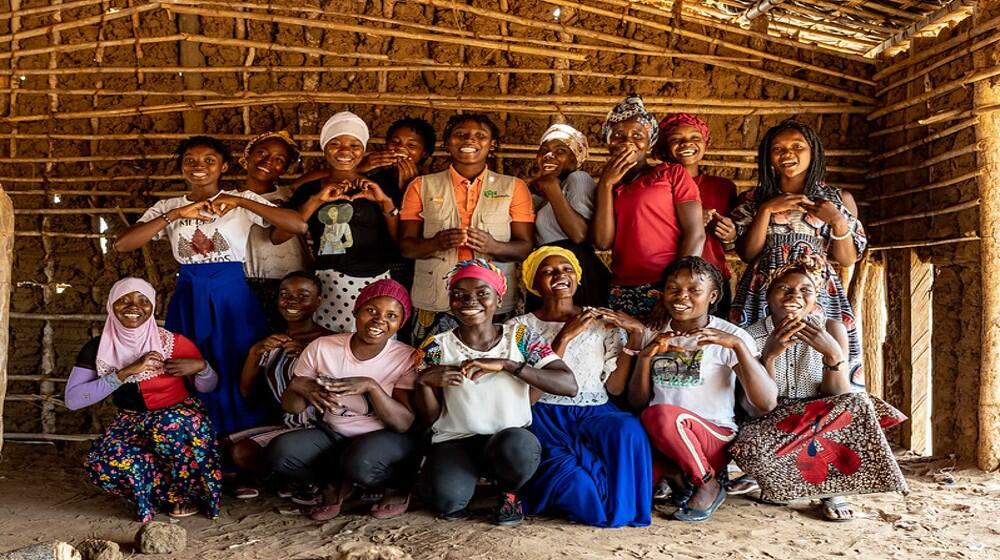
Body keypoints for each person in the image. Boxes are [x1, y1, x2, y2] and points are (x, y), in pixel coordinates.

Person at [115, 136, 308, 435]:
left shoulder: (239, 201)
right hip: (189, 295)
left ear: (224, 166)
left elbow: (298, 225)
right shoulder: (169, 206)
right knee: (189, 361)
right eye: (190, 161)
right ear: (181, 168)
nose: (199, 167)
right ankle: (197, 440)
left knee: (234, 359)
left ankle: (238, 440)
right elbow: (123, 243)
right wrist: (176, 215)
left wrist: (240, 200)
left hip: (232, 296)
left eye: (209, 160)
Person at [734, 255, 906, 521]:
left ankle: (832, 491)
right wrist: (768, 356)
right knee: (748, 447)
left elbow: (840, 396)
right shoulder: (746, 336)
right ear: (768, 294)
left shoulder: (831, 329)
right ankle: (784, 486)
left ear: (816, 297)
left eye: (806, 290)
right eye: (784, 288)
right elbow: (756, 407)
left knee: (858, 403)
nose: (795, 295)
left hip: (818, 417)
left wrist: (832, 356)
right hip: (768, 419)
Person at [414, 259, 577, 526]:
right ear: (450, 301)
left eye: (482, 293)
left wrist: (508, 365)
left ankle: (509, 493)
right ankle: (460, 479)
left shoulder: (521, 337)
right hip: (456, 440)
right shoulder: (436, 346)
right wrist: (423, 382)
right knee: (447, 502)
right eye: (459, 295)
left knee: (520, 448)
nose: (470, 301)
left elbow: (568, 385)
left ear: (498, 299)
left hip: (508, 438)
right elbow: (430, 418)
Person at [508, 246, 652, 528]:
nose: (559, 275)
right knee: (575, 483)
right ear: (534, 284)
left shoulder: (601, 321)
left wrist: (635, 336)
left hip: (596, 412)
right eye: (548, 271)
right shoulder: (519, 328)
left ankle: (623, 504)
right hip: (544, 415)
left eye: (566, 269)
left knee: (629, 430)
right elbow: (527, 398)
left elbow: (615, 387)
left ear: (578, 278)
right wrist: (564, 337)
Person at [628, 257, 777, 522]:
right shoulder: (654, 333)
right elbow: (637, 402)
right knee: (628, 492)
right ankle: (676, 475)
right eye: (673, 288)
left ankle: (708, 483)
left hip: (712, 436)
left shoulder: (729, 336)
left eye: (695, 290)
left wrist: (739, 348)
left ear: (713, 295)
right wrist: (644, 358)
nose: (681, 296)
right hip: (660, 439)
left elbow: (766, 403)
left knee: (659, 415)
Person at [65, 278, 222, 522]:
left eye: (143, 300)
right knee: (102, 463)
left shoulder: (172, 343)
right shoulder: (98, 348)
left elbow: (209, 386)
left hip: (179, 417)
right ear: (111, 305)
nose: (133, 306)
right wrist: (125, 372)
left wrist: (202, 367)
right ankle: (154, 495)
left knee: (170, 424)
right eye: (124, 300)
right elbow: (73, 400)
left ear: (153, 307)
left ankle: (184, 494)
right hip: (131, 420)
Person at [266, 279, 420, 521]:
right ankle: (333, 484)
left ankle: (396, 487)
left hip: (385, 436)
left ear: (401, 323)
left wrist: (371, 387)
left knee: (361, 464)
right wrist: (299, 386)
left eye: (391, 315)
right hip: (334, 432)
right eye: (371, 310)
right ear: (356, 311)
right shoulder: (322, 348)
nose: (380, 320)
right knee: (281, 452)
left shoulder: (405, 356)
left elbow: (403, 423)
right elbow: (291, 407)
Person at [730, 119, 867, 388]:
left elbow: (848, 258)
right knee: (760, 352)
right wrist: (766, 210)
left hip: (815, 290)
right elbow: (747, 254)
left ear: (813, 151)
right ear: (768, 156)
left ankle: (820, 414)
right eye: (778, 148)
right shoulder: (753, 200)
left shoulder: (837, 199)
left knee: (820, 355)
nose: (787, 154)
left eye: (797, 146)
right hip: (764, 290)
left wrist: (837, 221)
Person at [400, 113, 535, 344]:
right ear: (447, 143)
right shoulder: (422, 186)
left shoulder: (513, 187)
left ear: (492, 145)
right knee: (430, 365)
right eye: (460, 135)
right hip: (436, 299)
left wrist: (493, 246)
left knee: (492, 368)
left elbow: (524, 248)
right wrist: (435, 243)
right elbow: (406, 247)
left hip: (492, 301)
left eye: (480, 136)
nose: (469, 140)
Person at [277, 112, 401, 333]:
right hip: (328, 283)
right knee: (329, 349)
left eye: (354, 145)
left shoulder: (380, 184)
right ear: (324, 148)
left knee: (371, 349)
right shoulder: (309, 190)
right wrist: (317, 200)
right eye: (335, 144)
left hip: (373, 280)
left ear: (363, 150)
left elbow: (398, 242)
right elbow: (278, 236)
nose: (345, 151)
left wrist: (385, 203)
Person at [592, 94, 705, 323]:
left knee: (665, 354)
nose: (627, 141)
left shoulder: (671, 173)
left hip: (666, 284)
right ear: (607, 141)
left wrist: (674, 290)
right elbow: (603, 242)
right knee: (627, 355)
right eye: (618, 135)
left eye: (637, 135)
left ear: (650, 142)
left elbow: (695, 233)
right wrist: (606, 184)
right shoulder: (608, 186)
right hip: (622, 286)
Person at [228, 271, 333, 501]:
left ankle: (319, 480)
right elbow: (247, 392)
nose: (292, 301)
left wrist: (308, 356)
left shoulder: (330, 341)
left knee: (275, 451)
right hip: (289, 425)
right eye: (285, 294)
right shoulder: (275, 342)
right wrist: (254, 352)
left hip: (326, 428)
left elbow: (338, 387)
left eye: (303, 295)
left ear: (318, 301)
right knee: (237, 451)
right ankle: (287, 478)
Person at [655, 113, 738, 318]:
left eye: (695, 137)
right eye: (676, 139)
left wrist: (731, 236)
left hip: (713, 279)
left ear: (705, 143)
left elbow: (731, 246)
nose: (687, 144)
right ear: (664, 146)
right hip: (666, 280)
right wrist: (689, 221)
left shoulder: (723, 187)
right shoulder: (654, 187)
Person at [526, 123, 610, 309]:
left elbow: (579, 235)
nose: (549, 155)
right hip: (549, 270)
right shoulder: (542, 194)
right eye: (544, 150)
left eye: (561, 150)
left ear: (575, 159)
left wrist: (552, 188)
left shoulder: (578, 179)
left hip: (575, 271)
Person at [239, 131, 312, 330]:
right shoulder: (229, 199)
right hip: (248, 282)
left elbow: (324, 173)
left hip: (293, 283)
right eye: (262, 152)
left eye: (279, 159)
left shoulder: (290, 194)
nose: (268, 161)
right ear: (247, 155)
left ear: (286, 168)